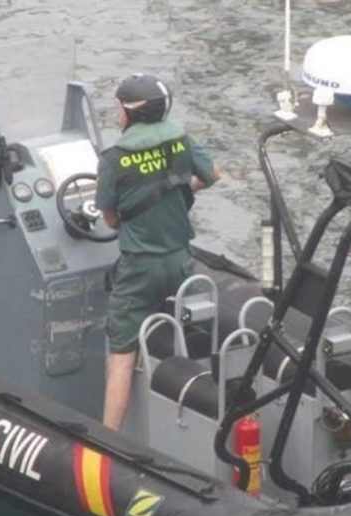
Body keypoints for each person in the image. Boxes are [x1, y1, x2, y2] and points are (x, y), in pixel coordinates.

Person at [96, 73, 222, 431]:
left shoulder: (114, 159)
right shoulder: (179, 139)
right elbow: (212, 174)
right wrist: (180, 191)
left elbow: (110, 218)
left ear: (130, 112)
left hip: (139, 269)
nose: (116, 112)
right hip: (181, 263)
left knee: (121, 359)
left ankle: (108, 441)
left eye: (118, 106)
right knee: (179, 340)